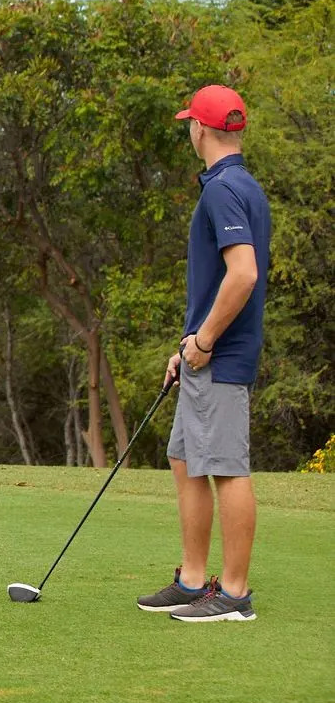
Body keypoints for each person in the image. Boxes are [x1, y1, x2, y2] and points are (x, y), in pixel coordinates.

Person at [137, 85, 270, 622]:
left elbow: (244, 274)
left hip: (222, 355)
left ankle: (233, 594)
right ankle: (193, 581)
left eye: (190, 122)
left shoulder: (222, 191)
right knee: (186, 459)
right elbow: (224, 278)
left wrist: (207, 340)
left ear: (201, 129)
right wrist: (188, 343)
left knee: (227, 469)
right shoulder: (241, 186)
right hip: (203, 353)